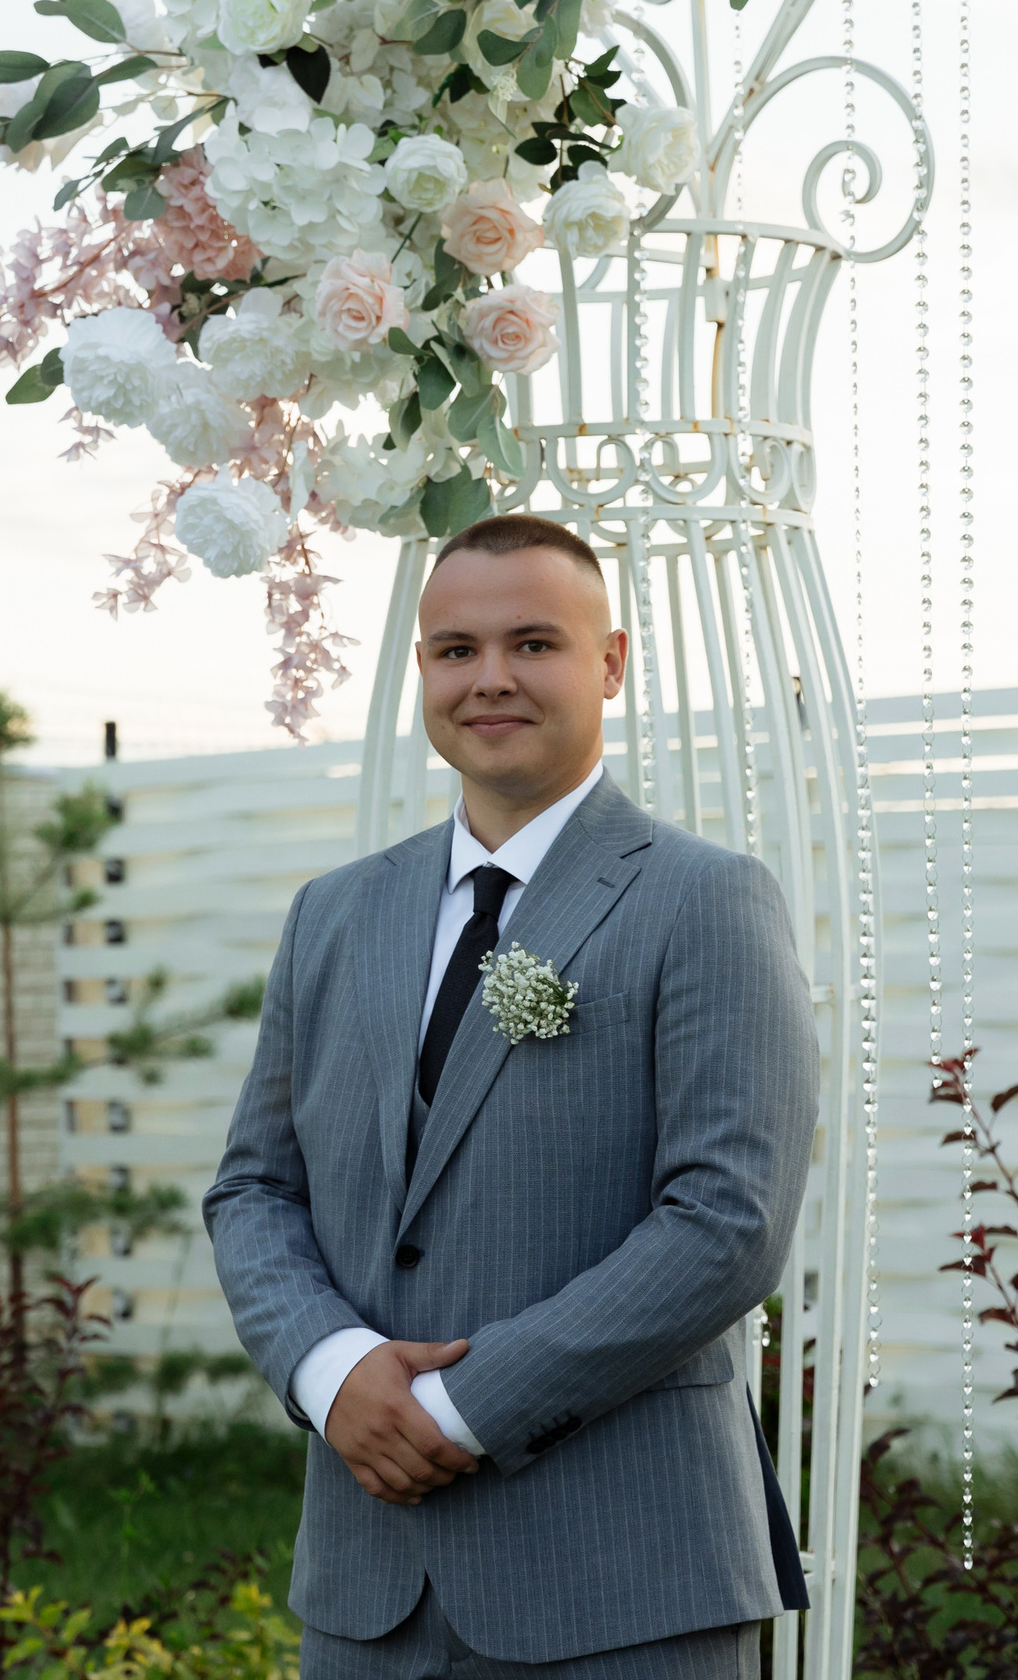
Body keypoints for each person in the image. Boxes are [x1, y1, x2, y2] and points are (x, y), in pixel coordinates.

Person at [204, 512, 819, 1680]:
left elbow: (726, 1226)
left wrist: (455, 1410)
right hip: (365, 1583)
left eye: (533, 644)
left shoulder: (705, 900)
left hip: (622, 1580)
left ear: (611, 664)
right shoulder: (332, 915)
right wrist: (333, 1375)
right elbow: (252, 1189)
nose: (489, 679)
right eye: (455, 650)